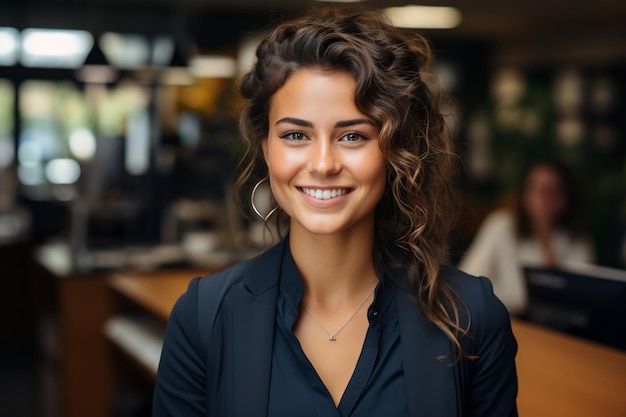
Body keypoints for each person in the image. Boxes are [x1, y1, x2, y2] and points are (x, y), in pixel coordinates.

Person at [153, 7, 518, 417]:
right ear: (266, 149)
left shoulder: (473, 317)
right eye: (295, 135)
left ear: (395, 151)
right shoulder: (203, 318)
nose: (323, 164)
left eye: (352, 135)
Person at [460, 159, 594, 315]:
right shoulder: (501, 226)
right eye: (535, 188)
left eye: (551, 190)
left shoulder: (577, 240)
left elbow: (581, 298)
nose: (542, 198)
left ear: (565, 196)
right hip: (503, 319)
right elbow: (468, 280)